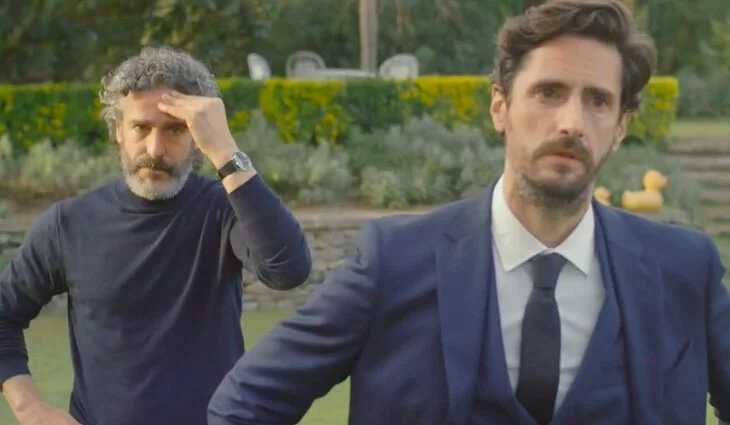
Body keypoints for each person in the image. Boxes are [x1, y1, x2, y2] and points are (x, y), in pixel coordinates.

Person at [206, 1, 730, 424]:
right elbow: (245, 404)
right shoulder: (395, 261)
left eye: (598, 100)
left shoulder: (684, 269)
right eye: (549, 92)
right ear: (500, 106)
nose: (571, 121)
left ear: (620, 127)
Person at [0, 46, 312, 425]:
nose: (155, 149)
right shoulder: (69, 224)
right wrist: (31, 410)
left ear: (197, 137)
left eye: (175, 129)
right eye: (141, 128)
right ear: (118, 129)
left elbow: (288, 269)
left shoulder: (224, 210)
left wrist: (225, 150)